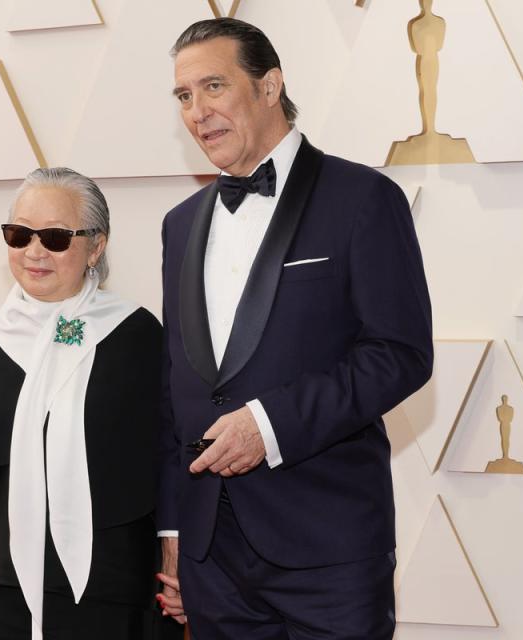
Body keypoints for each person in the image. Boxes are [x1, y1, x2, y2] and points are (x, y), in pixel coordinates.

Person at [155, 18, 434, 639]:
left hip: (328, 546)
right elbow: (175, 385)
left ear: (269, 84)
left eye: (214, 87)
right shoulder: (179, 225)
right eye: (183, 96)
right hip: (210, 554)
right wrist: (173, 529)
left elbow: (400, 353)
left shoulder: (364, 198)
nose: (197, 111)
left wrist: (270, 424)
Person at [0, 167, 175, 639]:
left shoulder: (135, 335)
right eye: (19, 235)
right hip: (6, 590)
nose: (34, 251)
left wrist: (174, 563)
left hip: (112, 592)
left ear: (96, 246)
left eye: (56, 237)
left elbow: (169, 464)